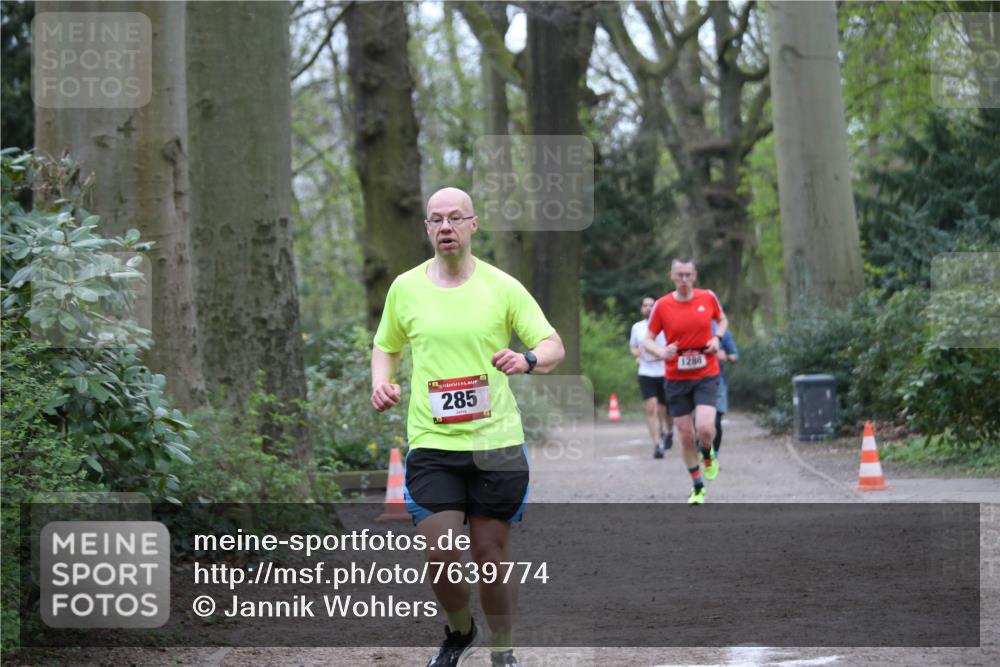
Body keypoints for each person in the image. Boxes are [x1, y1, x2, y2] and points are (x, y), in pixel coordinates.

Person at [371, 187, 565, 667]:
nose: (445, 227)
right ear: (427, 229)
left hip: (495, 443)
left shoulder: (502, 286)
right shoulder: (406, 287)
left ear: (473, 225)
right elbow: (386, 345)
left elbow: (552, 343)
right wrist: (382, 382)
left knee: (490, 557)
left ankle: (503, 650)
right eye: (436, 220)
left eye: (455, 218)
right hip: (433, 441)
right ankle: (460, 631)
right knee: (439, 551)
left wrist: (528, 358)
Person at [643, 258, 728, 505]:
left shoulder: (707, 298)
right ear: (672, 276)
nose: (684, 280)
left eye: (688, 275)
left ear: (695, 276)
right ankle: (698, 485)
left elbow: (722, 320)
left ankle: (708, 452)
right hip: (676, 378)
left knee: (704, 428)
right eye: (679, 275)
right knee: (685, 434)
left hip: (706, 374)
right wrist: (661, 352)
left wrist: (717, 339)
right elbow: (647, 339)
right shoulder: (662, 305)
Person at [630, 295, 673, 458]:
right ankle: (657, 444)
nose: (648, 308)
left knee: (666, 409)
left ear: (656, 308)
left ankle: (669, 431)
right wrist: (637, 353)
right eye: (645, 305)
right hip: (646, 372)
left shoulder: (665, 325)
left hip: (664, 371)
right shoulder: (637, 328)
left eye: (651, 305)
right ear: (642, 309)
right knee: (651, 407)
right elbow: (633, 347)